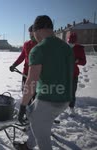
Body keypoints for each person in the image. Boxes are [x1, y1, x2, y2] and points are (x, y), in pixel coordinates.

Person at [16, 15, 74, 150]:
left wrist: (23, 105)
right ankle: (29, 144)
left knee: (43, 137)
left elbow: (31, 82)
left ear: (38, 30)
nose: (33, 36)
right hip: (65, 99)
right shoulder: (66, 48)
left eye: (33, 33)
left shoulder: (38, 49)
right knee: (33, 115)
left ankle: (33, 143)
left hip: (47, 100)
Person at [9, 25, 37, 104]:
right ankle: (26, 111)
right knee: (25, 93)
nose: (31, 36)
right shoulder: (26, 44)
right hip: (26, 73)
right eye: (30, 34)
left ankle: (34, 113)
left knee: (35, 95)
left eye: (33, 34)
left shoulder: (41, 45)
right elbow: (22, 56)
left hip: (37, 75)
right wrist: (14, 65)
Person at [67, 32, 87, 115]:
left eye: (72, 42)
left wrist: (77, 61)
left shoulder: (79, 49)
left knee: (72, 92)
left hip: (73, 74)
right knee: (61, 91)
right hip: (63, 74)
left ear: (75, 42)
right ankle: (60, 107)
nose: (70, 44)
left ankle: (71, 108)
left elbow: (84, 62)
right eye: (69, 42)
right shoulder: (63, 47)